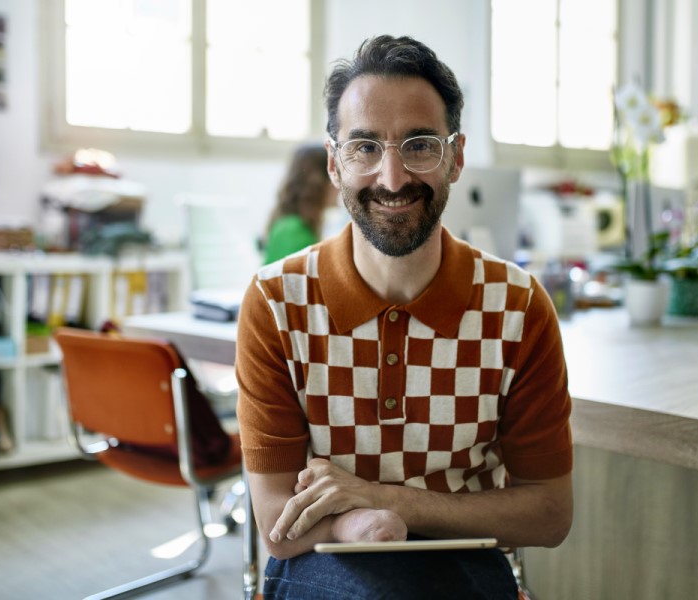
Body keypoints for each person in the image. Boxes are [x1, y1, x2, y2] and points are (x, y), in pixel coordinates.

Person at [236, 35, 573, 599]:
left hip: (463, 567)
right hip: (324, 561)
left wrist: (389, 500)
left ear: (456, 157)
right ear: (333, 163)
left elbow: (549, 514)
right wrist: (366, 522)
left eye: (418, 146)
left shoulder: (519, 304)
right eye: (364, 147)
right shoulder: (275, 301)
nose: (392, 179)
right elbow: (279, 524)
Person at [262, 143, 339, 264]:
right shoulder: (294, 231)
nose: (340, 186)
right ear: (318, 182)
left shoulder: (291, 225)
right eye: (335, 175)